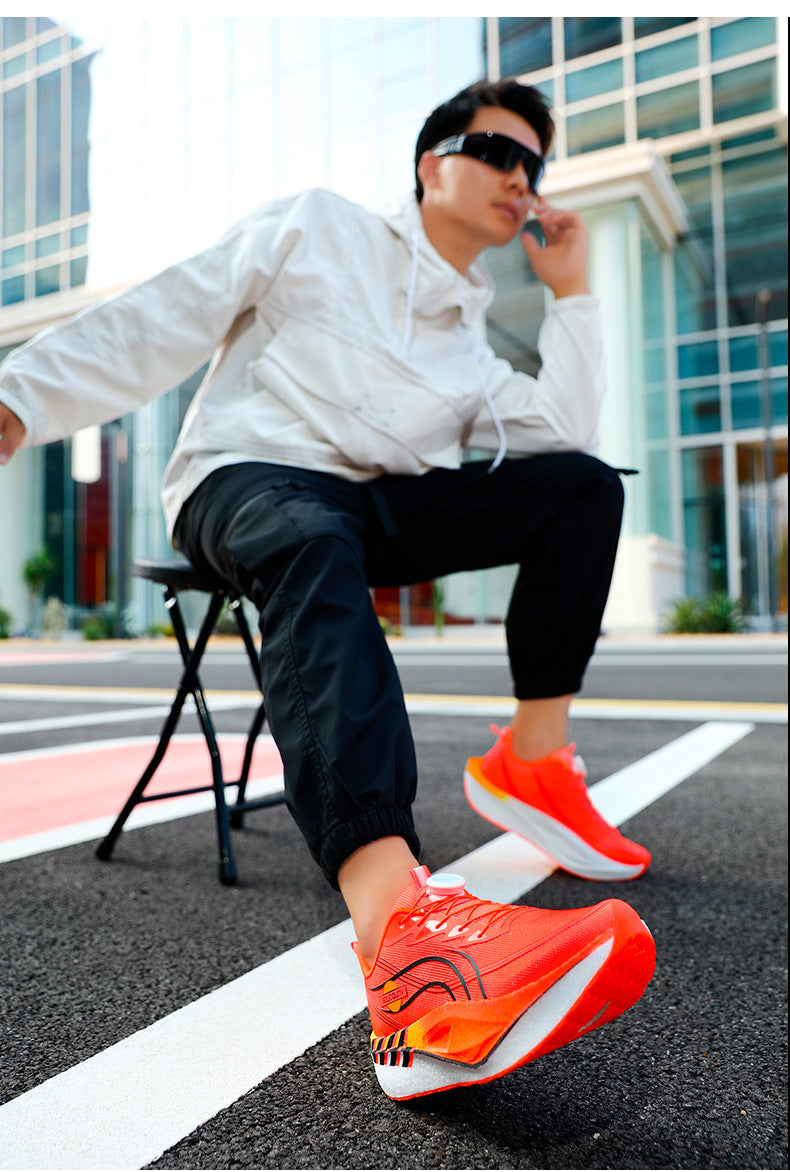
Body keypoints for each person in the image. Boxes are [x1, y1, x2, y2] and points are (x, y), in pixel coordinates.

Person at [0, 78, 655, 1100]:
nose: (519, 180)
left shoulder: (469, 345)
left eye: (533, 166)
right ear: (433, 163)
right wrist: (17, 402)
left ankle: (533, 761)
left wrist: (570, 291)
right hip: (246, 477)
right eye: (497, 152)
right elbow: (167, 312)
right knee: (312, 539)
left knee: (581, 486)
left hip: (371, 503)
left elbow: (566, 428)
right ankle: (405, 945)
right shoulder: (319, 227)